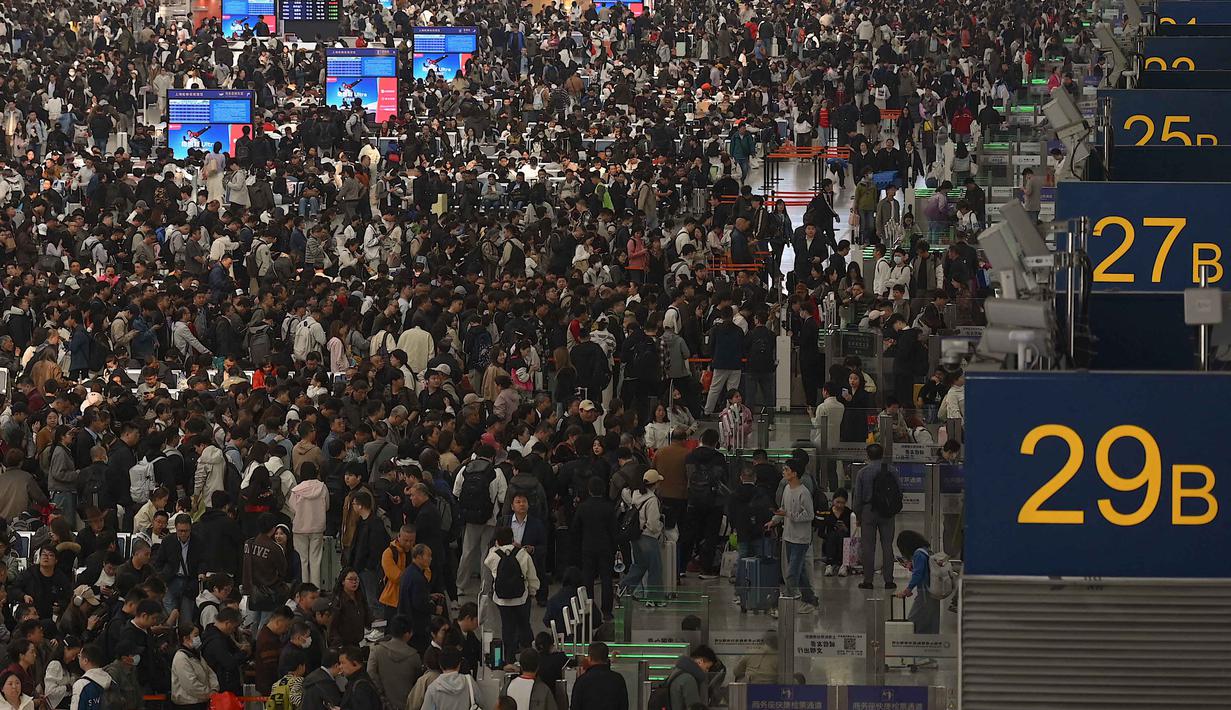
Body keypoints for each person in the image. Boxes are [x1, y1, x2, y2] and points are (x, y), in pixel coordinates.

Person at [770, 457, 819, 613]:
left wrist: (789, 514)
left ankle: (787, 604)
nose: (784, 472)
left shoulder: (803, 493)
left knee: (791, 573)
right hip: (788, 536)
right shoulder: (786, 489)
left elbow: (809, 515)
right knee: (801, 572)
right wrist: (774, 520)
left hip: (801, 539)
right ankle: (810, 600)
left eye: (787, 470)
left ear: (795, 473)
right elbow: (783, 509)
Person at [485, 526, 539, 663]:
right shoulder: (522, 554)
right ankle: (529, 656)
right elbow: (532, 576)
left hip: (502, 599)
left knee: (507, 627)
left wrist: (495, 547)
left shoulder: (493, 556)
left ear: (497, 540)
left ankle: (509, 658)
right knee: (524, 625)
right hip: (521, 598)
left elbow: (487, 562)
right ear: (513, 538)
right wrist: (532, 591)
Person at [854, 444, 901, 590]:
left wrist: (858, 514)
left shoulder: (863, 472)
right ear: (882, 455)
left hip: (868, 510)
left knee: (868, 546)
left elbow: (858, 497)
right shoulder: (892, 470)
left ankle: (868, 580)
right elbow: (899, 491)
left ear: (867, 455)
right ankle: (889, 580)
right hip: (887, 512)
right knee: (887, 545)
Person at [617, 470, 665, 605]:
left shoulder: (636, 494)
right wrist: (660, 528)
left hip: (635, 536)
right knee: (655, 568)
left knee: (639, 565)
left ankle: (622, 587)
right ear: (655, 484)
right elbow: (653, 524)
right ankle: (654, 599)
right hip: (648, 537)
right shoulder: (652, 500)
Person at [368, 615, 422, 710]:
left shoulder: (377, 650)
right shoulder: (414, 656)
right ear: (407, 634)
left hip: (383, 704)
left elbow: (370, 673)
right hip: (407, 704)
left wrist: (381, 694)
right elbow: (418, 682)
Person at [895, 530, 941, 634]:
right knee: (931, 620)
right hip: (933, 590)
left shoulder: (918, 554)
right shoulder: (926, 550)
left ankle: (915, 642)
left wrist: (908, 589)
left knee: (914, 619)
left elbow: (918, 574)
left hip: (925, 591)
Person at [170, 625, 219, 710]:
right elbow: (190, 684)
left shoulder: (196, 655)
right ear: (186, 638)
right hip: (188, 704)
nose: (198, 638)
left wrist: (214, 688)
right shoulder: (181, 657)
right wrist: (208, 693)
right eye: (195, 635)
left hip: (202, 701)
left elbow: (210, 672)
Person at [569, 644, 628, 710]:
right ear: (606, 658)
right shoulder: (618, 679)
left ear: (590, 658)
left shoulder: (582, 680)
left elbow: (575, 707)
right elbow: (624, 706)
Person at [665, 645, 717, 710]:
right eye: (707, 667)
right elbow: (694, 706)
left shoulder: (676, 671)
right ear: (700, 661)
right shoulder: (689, 679)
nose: (706, 671)